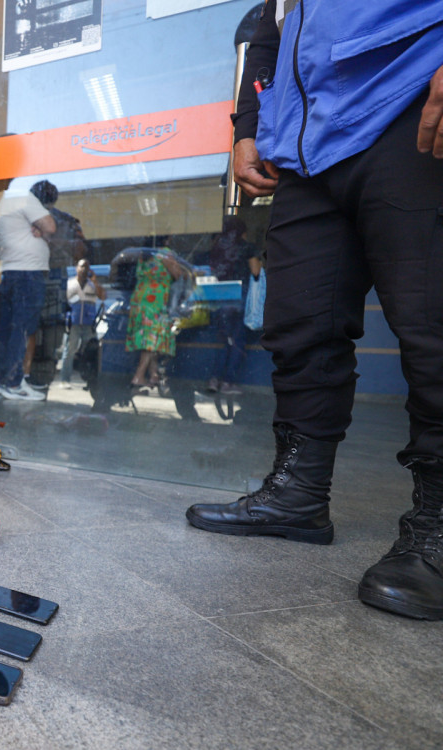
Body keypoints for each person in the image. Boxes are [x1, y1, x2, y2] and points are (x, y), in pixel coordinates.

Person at [185, 0, 443, 621]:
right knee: (300, 324)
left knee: (431, 324)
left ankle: (437, 524)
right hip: (306, 145)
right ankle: (299, 495)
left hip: (410, 108)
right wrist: (249, 125)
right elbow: (265, 32)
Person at [0, 181, 55, 400]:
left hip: (11, 273)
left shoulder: (3, 202)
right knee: (21, 330)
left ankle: (2, 381)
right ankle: (14, 383)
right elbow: (51, 226)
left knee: (8, 330)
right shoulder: (25, 198)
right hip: (27, 274)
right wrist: (42, 228)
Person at [200, 216, 261, 396]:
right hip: (240, 296)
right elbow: (256, 271)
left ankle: (214, 379)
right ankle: (228, 383)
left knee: (224, 341)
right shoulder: (247, 247)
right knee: (238, 341)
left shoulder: (218, 248)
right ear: (243, 231)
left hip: (221, 297)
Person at [126, 244, 187, 392]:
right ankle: (138, 376)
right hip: (156, 300)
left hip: (140, 299)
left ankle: (153, 374)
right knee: (153, 339)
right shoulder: (164, 253)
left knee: (148, 338)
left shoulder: (144, 254)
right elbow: (177, 274)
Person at [58, 259, 105, 388]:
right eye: (81, 266)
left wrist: (95, 281)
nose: (84, 269)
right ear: (76, 268)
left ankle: (90, 381)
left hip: (89, 324)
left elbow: (103, 297)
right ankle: (64, 379)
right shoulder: (70, 284)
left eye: (87, 267)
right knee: (70, 350)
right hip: (73, 322)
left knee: (89, 351)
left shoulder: (93, 284)